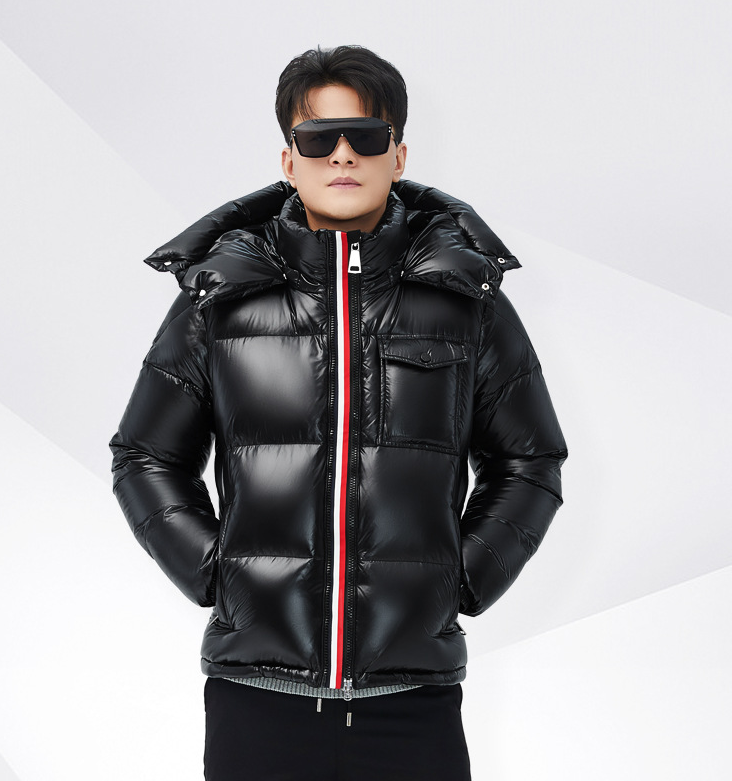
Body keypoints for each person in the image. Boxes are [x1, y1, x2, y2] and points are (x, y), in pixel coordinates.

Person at [109, 44, 568, 781]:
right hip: (257, 697)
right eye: (319, 138)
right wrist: (216, 574)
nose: (343, 155)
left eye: (367, 136)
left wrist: (462, 579)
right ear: (289, 160)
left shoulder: (465, 300)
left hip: (411, 701)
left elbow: (530, 459)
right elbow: (145, 455)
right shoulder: (220, 298)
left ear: (399, 154)